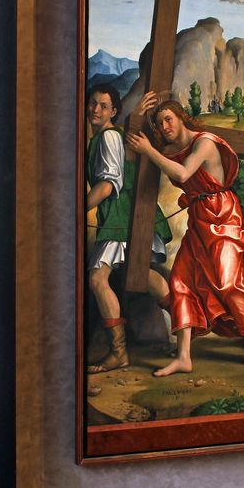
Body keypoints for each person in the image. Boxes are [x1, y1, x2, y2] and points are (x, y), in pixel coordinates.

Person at [126, 100, 244, 376]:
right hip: (199, 217)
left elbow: (182, 173)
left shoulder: (204, 142)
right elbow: (135, 139)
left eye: (169, 119)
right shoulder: (170, 150)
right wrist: (139, 115)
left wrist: (149, 150)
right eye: (159, 124)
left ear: (182, 117)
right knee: (181, 281)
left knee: (230, 281)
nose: (164, 127)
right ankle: (184, 357)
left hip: (222, 214)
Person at [84, 85, 174, 373]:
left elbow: (109, 183)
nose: (95, 109)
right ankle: (187, 324)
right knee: (142, 274)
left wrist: (78, 210)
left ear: (113, 111)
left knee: (98, 279)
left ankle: (119, 352)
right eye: (92, 103)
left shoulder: (109, 136)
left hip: (122, 215)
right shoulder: (106, 137)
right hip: (124, 214)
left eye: (103, 105)